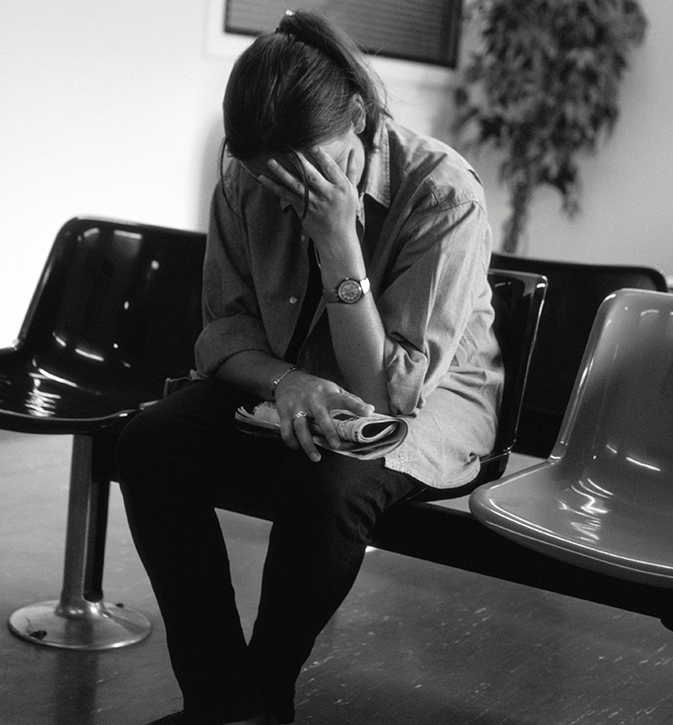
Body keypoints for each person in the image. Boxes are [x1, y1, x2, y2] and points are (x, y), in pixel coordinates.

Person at [116, 9, 503, 725]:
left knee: (330, 482)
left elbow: (386, 391)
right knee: (149, 442)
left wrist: (339, 248)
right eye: (274, 180)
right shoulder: (246, 176)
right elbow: (224, 332)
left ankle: (263, 694)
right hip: (292, 383)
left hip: (423, 406)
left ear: (357, 116)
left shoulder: (443, 193)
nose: (290, 195)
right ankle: (222, 698)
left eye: (310, 172)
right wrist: (287, 381)